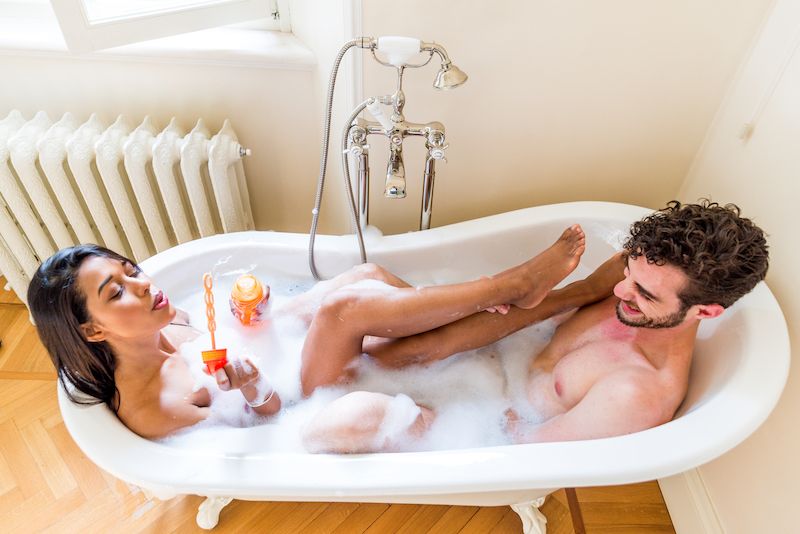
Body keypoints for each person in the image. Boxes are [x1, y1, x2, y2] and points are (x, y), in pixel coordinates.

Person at [28, 225, 615, 444]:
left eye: (129, 268)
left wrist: (247, 315)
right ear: (91, 328)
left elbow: (236, 330)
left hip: (291, 363)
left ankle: (563, 298)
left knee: (368, 278)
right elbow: (262, 423)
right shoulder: (153, 405)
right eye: (116, 291)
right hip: (302, 406)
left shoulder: (167, 318)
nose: (143, 283)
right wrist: (253, 385)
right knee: (344, 311)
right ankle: (510, 286)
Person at [348, 200, 769, 445]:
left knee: (348, 414)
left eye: (644, 295)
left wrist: (442, 408)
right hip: (486, 359)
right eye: (629, 275)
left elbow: (528, 451)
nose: (622, 292)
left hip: (467, 417)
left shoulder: (636, 393)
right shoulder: (642, 275)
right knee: (365, 281)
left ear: (707, 312)